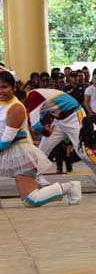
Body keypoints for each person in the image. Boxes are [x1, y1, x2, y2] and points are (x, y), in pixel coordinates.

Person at [0, 70, 82, 208]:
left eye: (4, 87)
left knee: (31, 200)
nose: (1, 91)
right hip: (7, 152)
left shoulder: (16, 108)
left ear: (14, 87)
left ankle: (70, 186)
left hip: (20, 154)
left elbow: (6, 140)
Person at [26, 88, 96, 188]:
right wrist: (47, 125)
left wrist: (46, 131)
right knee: (43, 148)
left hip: (74, 116)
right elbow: (43, 111)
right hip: (59, 120)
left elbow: (36, 126)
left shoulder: (33, 97)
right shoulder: (32, 97)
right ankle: (37, 176)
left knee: (82, 151)